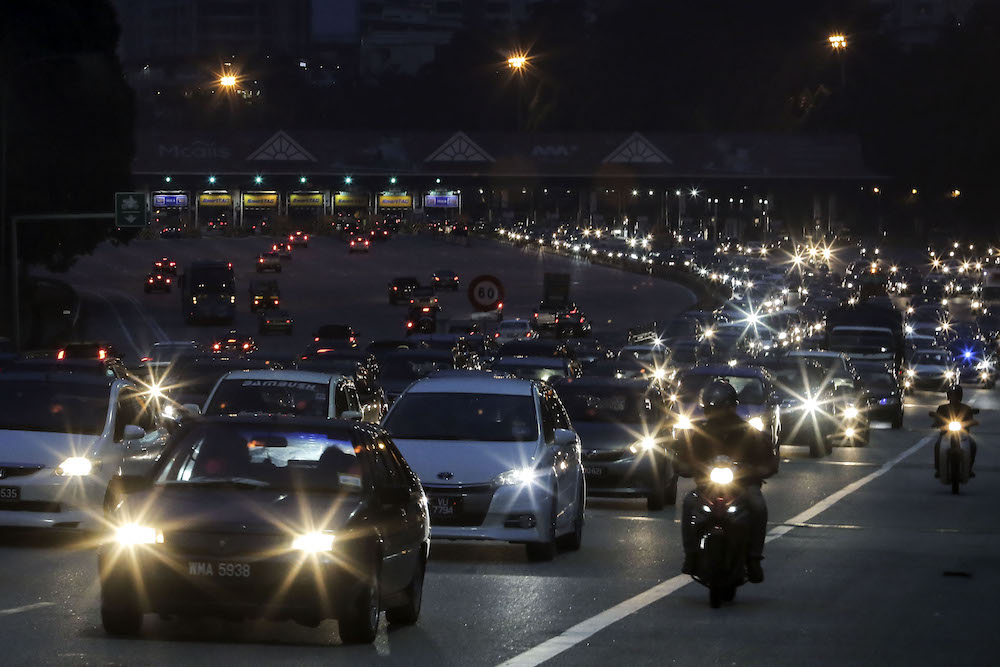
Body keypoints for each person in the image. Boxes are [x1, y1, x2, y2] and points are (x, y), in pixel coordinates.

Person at [677, 380, 778, 583]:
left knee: (757, 504)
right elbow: (683, 456)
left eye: (720, 409)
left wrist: (756, 469)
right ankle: (691, 555)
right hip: (708, 486)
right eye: (711, 409)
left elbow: (767, 458)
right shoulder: (698, 433)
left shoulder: (748, 432)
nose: (715, 414)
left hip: (743, 485)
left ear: (731, 407)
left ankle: (754, 559)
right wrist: (686, 466)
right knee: (689, 503)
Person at [932, 384, 977, 477]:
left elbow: (971, 420)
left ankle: (969, 468)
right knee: (937, 446)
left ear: (960, 396)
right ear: (948, 396)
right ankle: (939, 469)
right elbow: (937, 419)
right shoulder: (942, 408)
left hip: (963, 435)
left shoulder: (966, 408)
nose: (954, 398)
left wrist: (972, 423)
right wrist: (936, 423)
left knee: (973, 445)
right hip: (946, 435)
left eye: (956, 395)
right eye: (952, 395)